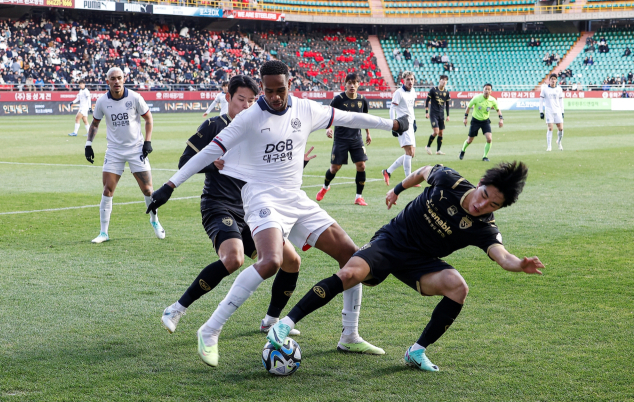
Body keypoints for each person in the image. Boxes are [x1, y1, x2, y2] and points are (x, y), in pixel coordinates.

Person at [147, 60, 409, 367]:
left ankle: (349, 336)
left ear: (290, 84)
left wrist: (390, 125)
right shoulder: (249, 118)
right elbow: (209, 152)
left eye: (280, 90)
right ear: (262, 87)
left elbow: (349, 117)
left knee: (353, 258)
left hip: (296, 198)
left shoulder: (306, 110)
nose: (274, 97)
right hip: (261, 196)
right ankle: (210, 329)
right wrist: (169, 185)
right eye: (268, 91)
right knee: (271, 261)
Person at [267, 162, 543, 372]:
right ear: (480, 183)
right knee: (350, 274)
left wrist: (520, 264)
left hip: (421, 263)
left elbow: (502, 256)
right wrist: (397, 189)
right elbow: (423, 172)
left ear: (500, 207)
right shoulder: (450, 180)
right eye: (483, 194)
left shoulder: (485, 227)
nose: (481, 204)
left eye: (492, 204)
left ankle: (417, 351)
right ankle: (285, 324)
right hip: (391, 242)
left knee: (458, 288)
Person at [161, 75, 311, 342]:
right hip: (219, 205)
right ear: (228, 97)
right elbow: (186, 160)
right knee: (233, 259)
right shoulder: (214, 125)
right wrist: (212, 163)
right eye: (241, 99)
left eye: (252, 100)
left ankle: (270, 321)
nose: (246, 105)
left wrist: (298, 163)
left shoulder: (261, 126)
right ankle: (176, 309)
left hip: (253, 209)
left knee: (292, 262)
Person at [85, 67, 165, 243]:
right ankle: (103, 233)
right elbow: (95, 124)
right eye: (113, 78)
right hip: (114, 151)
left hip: (136, 149)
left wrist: (148, 142)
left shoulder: (135, 97)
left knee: (148, 190)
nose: (116, 81)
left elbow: (149, 119)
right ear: (107, 81)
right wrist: (88, 144)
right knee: (107, 190)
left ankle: (155, 220)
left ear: (124, 79)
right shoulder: (102, 102)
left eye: (119, 78)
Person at [316, 73, 371, 206]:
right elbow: (328, 114)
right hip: (341, 139)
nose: (352, 86)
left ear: (358, 84)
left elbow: (365, 118)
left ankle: (359, 197)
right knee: (335, 168)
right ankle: (325, 187)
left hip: (356, 138)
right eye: (349, 83)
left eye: (355, 83)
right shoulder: (338, 99)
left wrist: (368, 133)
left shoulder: (362, 100)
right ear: (345, 84)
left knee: (361, 165)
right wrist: (328, 128)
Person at [382, 71, 417, 185]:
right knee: (409, 151)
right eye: (408, 79)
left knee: (411, 153)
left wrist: (414, 121)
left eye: (412, 79)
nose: (410, 81)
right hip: (402, 124)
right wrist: (393, 124)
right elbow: (392, 108)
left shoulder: (413, 92)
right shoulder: (399, 92)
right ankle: (409, 180)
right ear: (403, 80)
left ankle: (387, 172)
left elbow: (411, 108)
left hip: (410, 124)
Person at [459, 83, 503, 162]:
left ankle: (485, 156)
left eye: (488, 89)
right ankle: (463, 150)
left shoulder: (492, 100)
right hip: (475, 121)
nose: (487, 91)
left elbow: (498, 109)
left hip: (485, 121)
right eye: (485, 89)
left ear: (491, 91)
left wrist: (501, 119)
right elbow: (468, 107)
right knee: (469, 140)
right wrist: (465, 118)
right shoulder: (476, 98)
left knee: (489, 139)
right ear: (483, 90)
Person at [424, 75, 450, 156]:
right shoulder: (433, 90)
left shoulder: (446, 92)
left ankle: (438, 150)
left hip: (441, 115)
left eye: (445, 81)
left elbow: (447, 104)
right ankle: (428, 146)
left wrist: (448, 115)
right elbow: (427, 100)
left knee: (441, 133)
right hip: (433, 114)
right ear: (439, 81)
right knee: (436, 131)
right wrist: (426, 112)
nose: (444, 82)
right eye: (442, 80)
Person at [539, 74, 564, 151]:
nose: (553, 80)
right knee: (550, 128)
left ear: (556, 80)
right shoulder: (545, 89)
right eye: (552, 79)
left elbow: (561, 101)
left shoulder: (559, 89)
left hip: (558, 111)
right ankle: (549, 146)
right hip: (549, 111)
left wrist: (562, 111)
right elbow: (541, 101)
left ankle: (559, 142)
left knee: (561, 128)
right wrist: (541, 111)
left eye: (554, 79)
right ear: (549, 80)